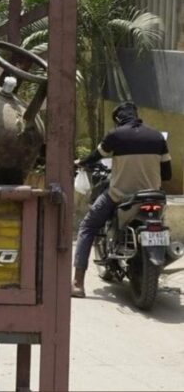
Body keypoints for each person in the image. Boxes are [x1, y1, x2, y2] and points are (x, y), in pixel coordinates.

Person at [71, 101, 172, 298]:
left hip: (120, 196)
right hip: (153, 196)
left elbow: (95, 156)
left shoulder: (115, 135)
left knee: (88, 226)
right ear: (136, 115)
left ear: (118, 119)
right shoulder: (157, 136)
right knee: (161, 222)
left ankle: (77, 283)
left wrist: (81, 162)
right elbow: (167, 174)